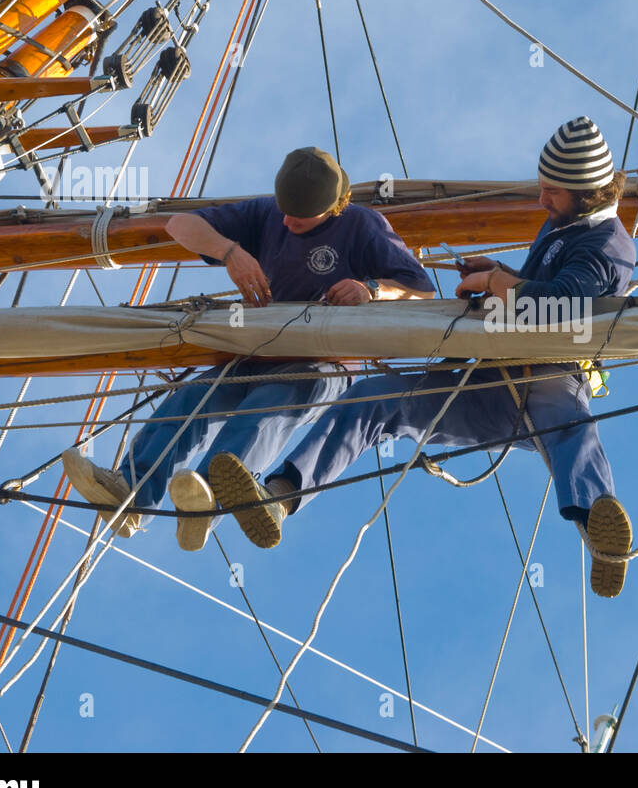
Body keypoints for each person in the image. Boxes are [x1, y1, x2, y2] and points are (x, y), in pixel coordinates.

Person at [208, 118, 638, 598]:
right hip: (487, 378)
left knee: (569, 427)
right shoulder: (568, 221)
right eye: (541, 188)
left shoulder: (607, 247)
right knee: (373, 398)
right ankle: (281, 496)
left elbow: (559, 306)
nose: (541, 201)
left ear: (588, 193)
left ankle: (600, 533)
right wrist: (500, 270)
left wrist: (497, 284)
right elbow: (538, 286)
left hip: (549, 374)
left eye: (552, 193)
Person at [61, 147, 435, 550]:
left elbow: (422, 294)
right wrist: (230, 252)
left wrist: (372, 289)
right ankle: (132, 494)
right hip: (256, 348)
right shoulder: (269, 213)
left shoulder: (363, 226)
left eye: (300, 215)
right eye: (284, 209)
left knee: (267, 410)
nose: (287, 221)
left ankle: (207, 497)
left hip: (321, 359)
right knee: (189, 400)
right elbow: (179, 224)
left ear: (334, 208)